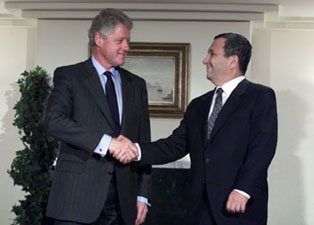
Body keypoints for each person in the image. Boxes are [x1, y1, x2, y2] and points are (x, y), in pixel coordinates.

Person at [114, 32, 278, 225]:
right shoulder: (199, 105)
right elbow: (174, 146)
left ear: (233, 61)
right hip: (199, 210)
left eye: (212, 54)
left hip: (239, 207)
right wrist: (135, 150)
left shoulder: (260, 96)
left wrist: (243, 190)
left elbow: (262, 148)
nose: (205, 60)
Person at [45, 8, 151, 225]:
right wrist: (107, 143)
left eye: (128, 41)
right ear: (98, 39)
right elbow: (54, 122)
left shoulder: (136, 85)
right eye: (120, 40)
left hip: (123, 203)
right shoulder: (69, 76)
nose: (127, 47)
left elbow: (143, 141)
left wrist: (143, 195)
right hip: (76, 200)